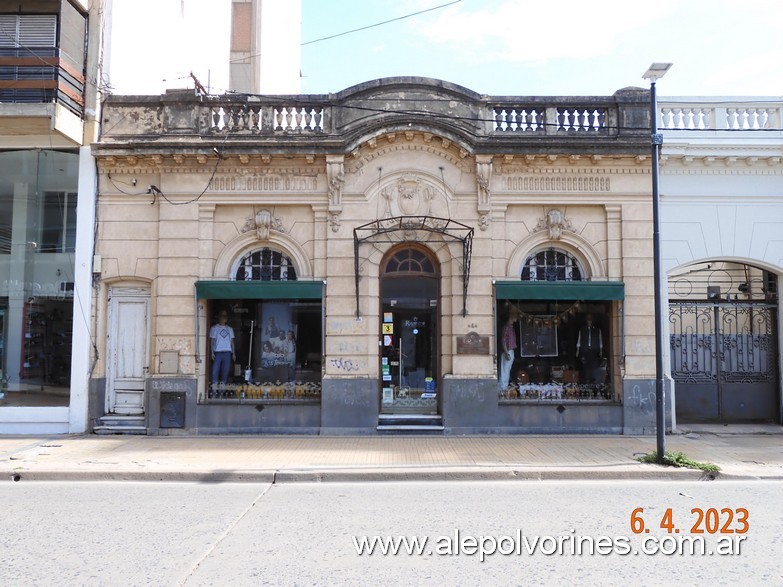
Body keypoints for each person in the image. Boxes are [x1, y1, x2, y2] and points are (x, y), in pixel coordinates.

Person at [210, 310, 235, 387]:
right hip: (218, 353)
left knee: (225, 372)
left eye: (225, 317)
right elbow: (212, 341)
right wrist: (211, 352)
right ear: (219, 317)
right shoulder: (214, 328)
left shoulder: (229, 329)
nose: (224, 318)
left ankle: (221, 392)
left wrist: (233, 353)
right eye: (222, 316)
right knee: (215, 371)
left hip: (227, 352)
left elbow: (232, 342)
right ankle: (214, 392)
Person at [576, 313, 602, 383]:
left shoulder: (597, 329)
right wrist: (578, 350)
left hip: (594, 350)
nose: (589, 321)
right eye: (588, 319)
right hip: (585, 350)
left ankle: (595, 381)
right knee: (585, 366)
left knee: (594, 366)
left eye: (590, 319)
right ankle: (587, 380)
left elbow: (600, 340)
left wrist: (601, 350)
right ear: (586, 320)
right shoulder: (582, 329)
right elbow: (579, 339)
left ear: (592, 320)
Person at [498, 311, 518, 391]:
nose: (516, 318)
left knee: (507, 370)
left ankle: (504, 388)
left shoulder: (511, 327)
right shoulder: (506, 328)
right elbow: (503, 341)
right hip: (507, 351)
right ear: (511, 317)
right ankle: (502, 389)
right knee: (504, 371)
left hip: (510, 351)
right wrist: (506, 353)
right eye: (515, 316)